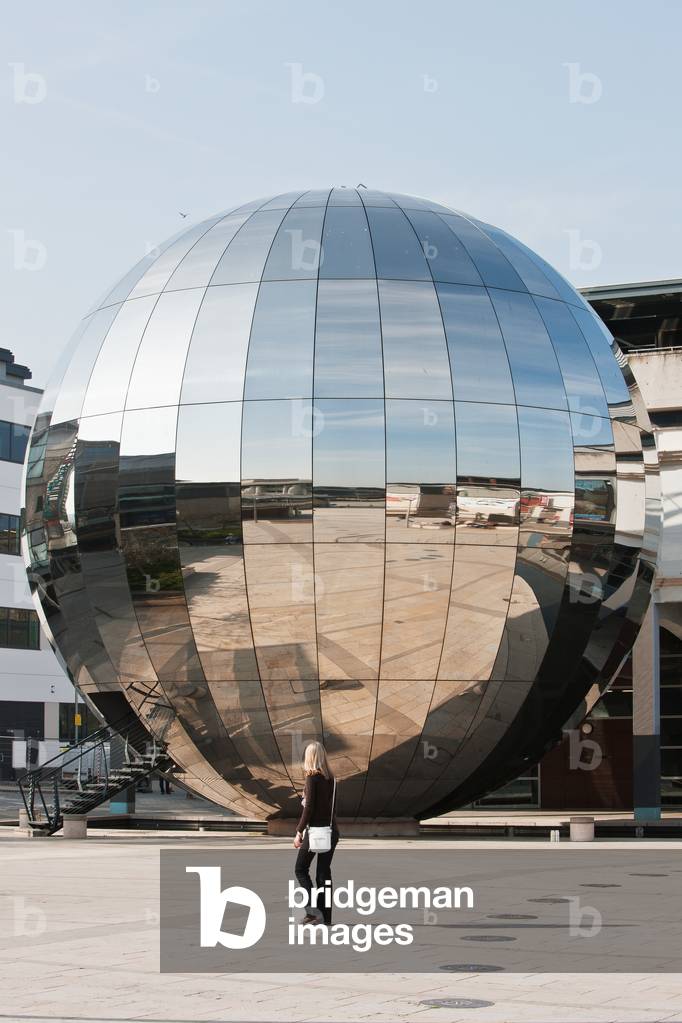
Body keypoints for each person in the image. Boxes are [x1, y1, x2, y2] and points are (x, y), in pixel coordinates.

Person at [293, 741, 339, 925]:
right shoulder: (332, 780)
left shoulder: (312, 778)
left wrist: (299, 831)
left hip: (316, 832)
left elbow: (309, 807)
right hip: (331, 830)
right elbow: (331, 807)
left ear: (309, 757)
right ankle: (325, 917)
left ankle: (312, 912)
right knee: (323, 874)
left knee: (300, 869)